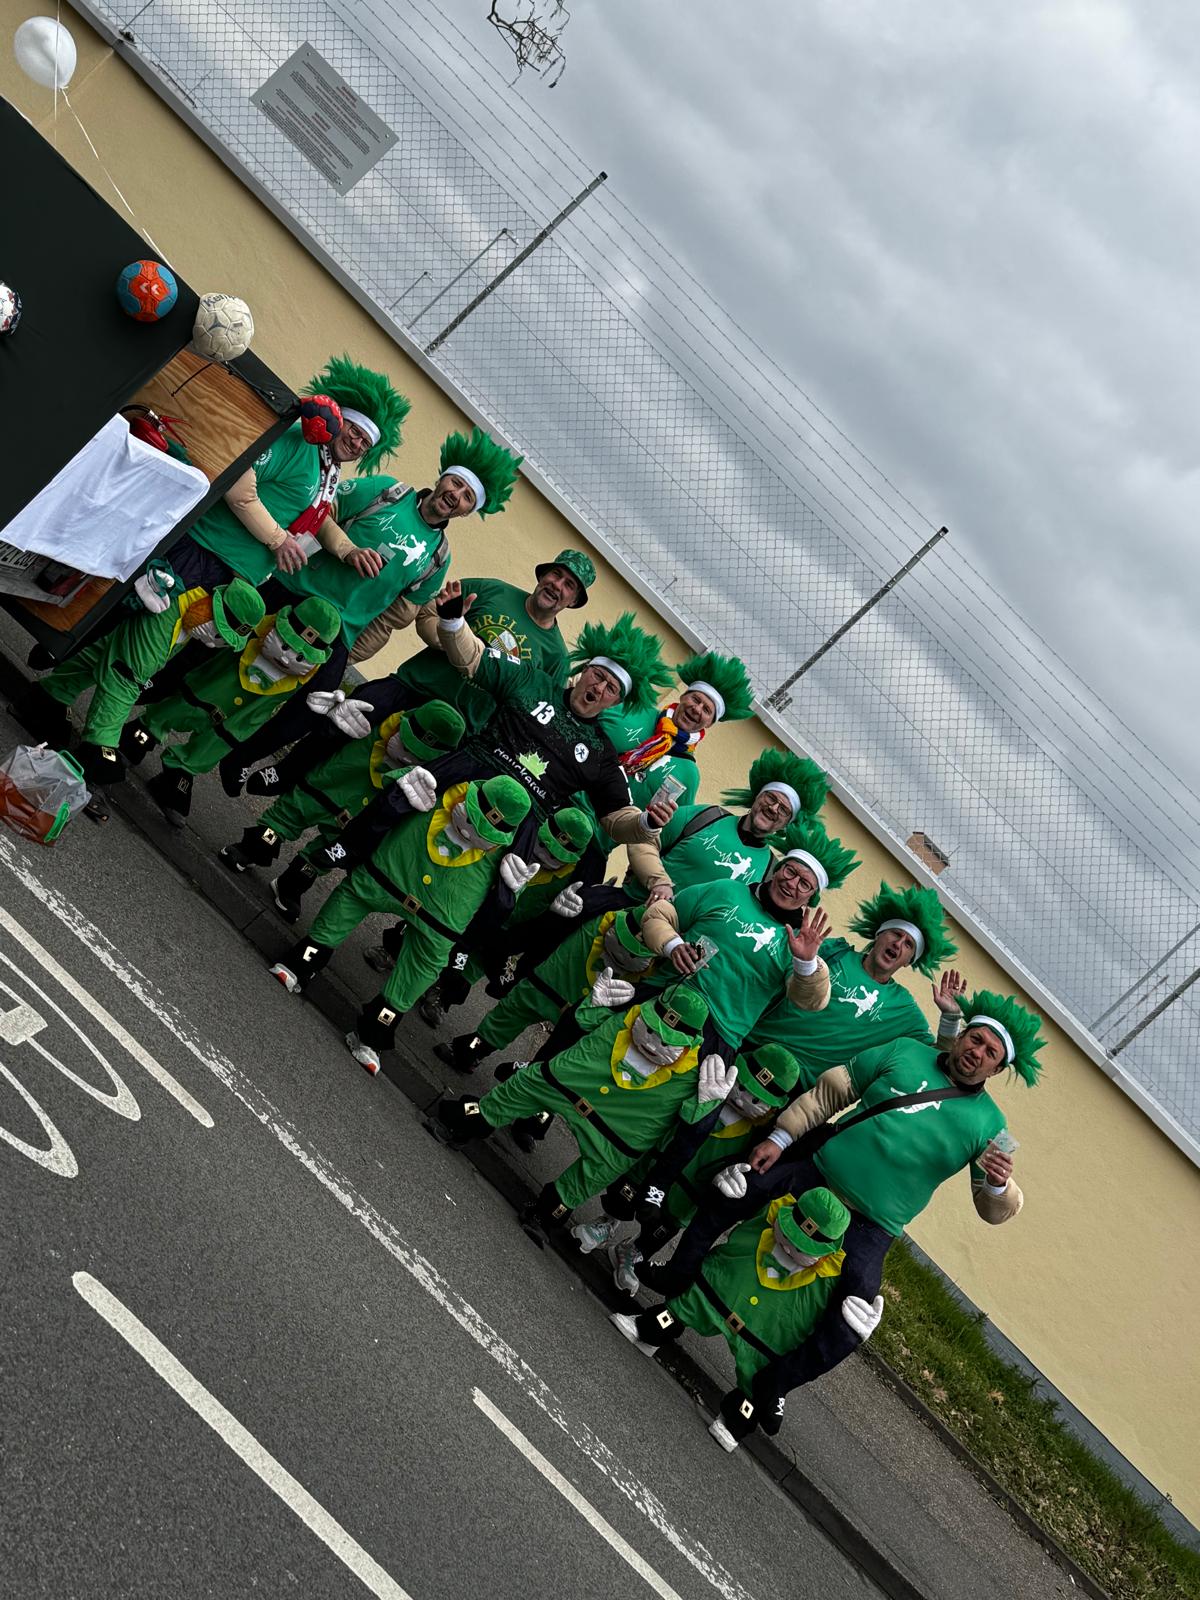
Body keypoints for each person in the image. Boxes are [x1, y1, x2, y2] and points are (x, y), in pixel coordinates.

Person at [638, 988, 1045, 1432]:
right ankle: (679, 1275)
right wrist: (779, 1140)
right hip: (816, 1173)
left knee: (854, 1318)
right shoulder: (906, 1051)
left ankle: (774, 1385)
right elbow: (831, 1092)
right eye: (976, 1038)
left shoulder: (993, 1126)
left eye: (991, 1052)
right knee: (732, 1191)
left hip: (872, 1226)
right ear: (962, 1035)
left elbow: (994, 1209)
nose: (978, 1052)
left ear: (997, 1069)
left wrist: (999, 1185)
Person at [214, 427, 526, 795]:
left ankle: (240, 758)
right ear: (442, 478)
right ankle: (171, 712)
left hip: (339, 634)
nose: (455, 495)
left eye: (467, 497)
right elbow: (323, 512)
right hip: (294, 589)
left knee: (310, 708)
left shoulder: (439, 558)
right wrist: (346, 550)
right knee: (222, 643)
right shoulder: (387, 491)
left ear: (468, 510)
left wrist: (352, 652)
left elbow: (395, 617)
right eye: (456, 483)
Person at [310, 598, 677, 895]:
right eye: (598, 675)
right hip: (478, 763)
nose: (599, 688)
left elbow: (616, 819)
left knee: (505, 889)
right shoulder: (532, 681)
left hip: (527, 810)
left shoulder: (601, 752)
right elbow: (474, 659)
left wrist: (646, 823)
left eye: (611, 688)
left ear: (615, 702)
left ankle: (458, 954)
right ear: (585, 672)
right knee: (405, 790)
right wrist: (454, 621)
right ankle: (346, 848)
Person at [268, 772, 532, 1076]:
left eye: (484, 833)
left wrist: (513, 892)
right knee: (350, 901)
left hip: (438, 920)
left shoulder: (507, 856)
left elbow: (502, 905)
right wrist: (400, 785)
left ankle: (373, 1032)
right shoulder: (443, 785)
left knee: (423, 966)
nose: (471, 831)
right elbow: (389, 788)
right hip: (389, 876)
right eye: (471, 819)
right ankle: (303, 961)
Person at [426, 979, 719, 1247]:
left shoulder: (693, 1077)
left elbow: (688, 1124)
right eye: (651, 1029)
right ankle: (463, 1123)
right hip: (567, 1083)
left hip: (617, 1134)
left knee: (587, 1178)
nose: (653, 1043)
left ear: (691, 1044)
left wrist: (705, 1105)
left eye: (667, 1042)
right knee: (518, 1091)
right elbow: (579, 1021)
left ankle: (544, 1214)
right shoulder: (625, 1015)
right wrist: (590, 1004)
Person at [610, 1187, 883, 1451]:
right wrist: (728, 1194)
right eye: (788, 1236)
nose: (789, 1249)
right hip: (716, 1292)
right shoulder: (770, 1210)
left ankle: (735, 1420)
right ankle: (651, 1331)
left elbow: (838, 1322)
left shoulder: (834, 1276)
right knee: (685, 1307)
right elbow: (733, 1206)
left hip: (763, 1339)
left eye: (802, 1249)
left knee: (755, 1384)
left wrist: (851, 1334)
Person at [8, 577, 265, 811]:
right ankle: (84, 757)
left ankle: (51, 695)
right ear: (213, 604)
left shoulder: (190, 615)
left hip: (133, 636)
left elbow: (110, 653)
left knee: (108, 650)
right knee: (123, 677)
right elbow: (124, 681)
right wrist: (103, 747)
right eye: (218, 632)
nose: (212, 642)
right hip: (136, 643)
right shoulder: (168, 622)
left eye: (222, 641)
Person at [582, 1040, 804, 1292]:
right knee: (628, 1193)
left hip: (691, 1189)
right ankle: (607, 1222)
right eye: (741, 1088)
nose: (742, 1101)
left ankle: (632, 1251)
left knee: (665, 1225)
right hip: (659, 1163)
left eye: (755, 1100)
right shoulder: (710, 1092)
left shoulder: (753, 1139)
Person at [217, 699, 467, 921]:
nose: (409, 757)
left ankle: (290, 884)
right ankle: (250, 849)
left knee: (319, 859)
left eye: (420, 755)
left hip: (354, 818)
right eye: (407, 745)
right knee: (276, 827)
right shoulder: (374, 718)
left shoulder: (429, 778)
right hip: (324, 787)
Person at [634, 815, 860, 1058]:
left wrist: (805, 962)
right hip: (662, 995)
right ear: (777, 870)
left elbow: (810, 1001)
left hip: (715, 1035)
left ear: (810, 898)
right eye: (790, 871)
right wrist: (674, 946)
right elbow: (661, 914)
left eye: (804, 883)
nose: (792, 883)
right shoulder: (727, 889)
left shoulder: (801, 942)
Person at [127, 597, 342, 822]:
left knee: (214, 745)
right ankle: (141, 733)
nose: (286, 660)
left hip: (235, 722)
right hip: (204, 692)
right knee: (177, 710)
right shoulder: (254, 629)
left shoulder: (302, 679)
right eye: (286, 647)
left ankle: (182, 770)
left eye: (299, 657)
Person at [745, 881, 966, 1073]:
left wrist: (951, 1017)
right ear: (879, 935)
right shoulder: (834, 951)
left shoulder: (903, 1007)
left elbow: (936, 1057)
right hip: (752, 1047)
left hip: (796, 1086)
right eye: (896, 934)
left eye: (908, 944)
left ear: (909, 960)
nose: (898, 944)